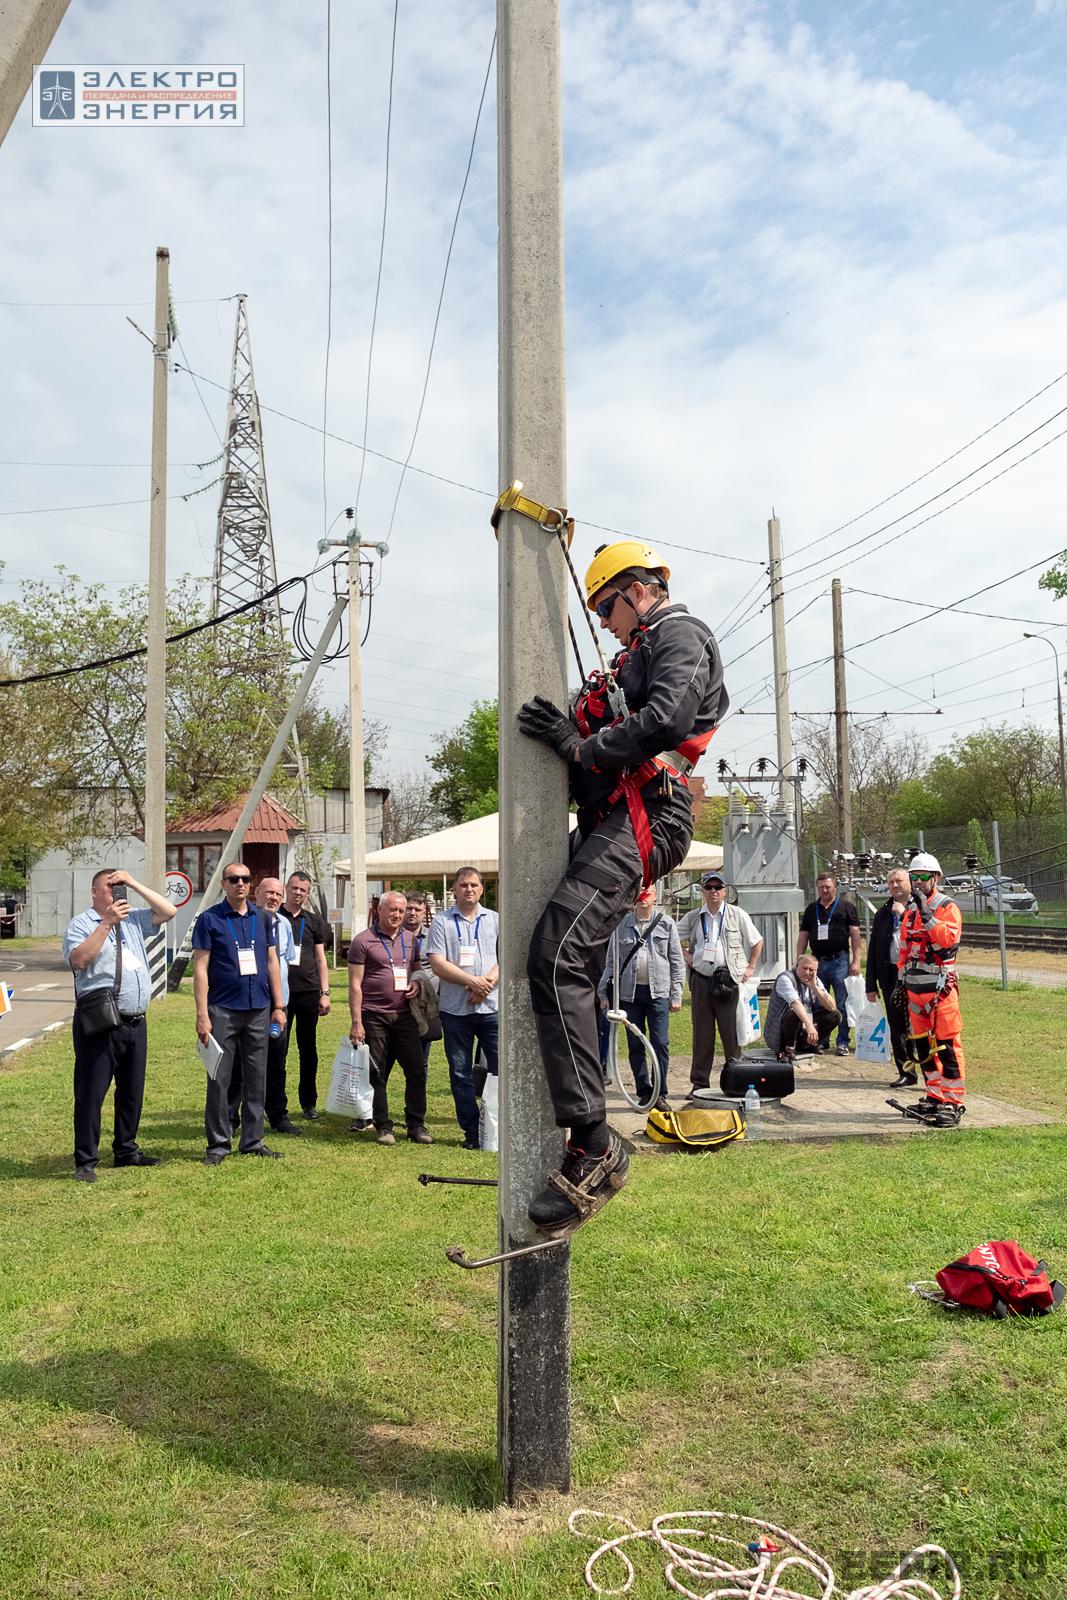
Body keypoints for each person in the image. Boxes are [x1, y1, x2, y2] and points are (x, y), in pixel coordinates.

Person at [518, 538, 728, 1234]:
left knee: (557, 955)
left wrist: (579, 746)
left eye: (607, 608)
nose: (604, 623)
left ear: (639, 591)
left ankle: (593, 1145)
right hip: (615, 814)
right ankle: (586, 1130)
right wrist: (569, 740)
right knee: (552, 955)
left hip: (649, 814)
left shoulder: (680, 634)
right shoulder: (636, 651)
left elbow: (666, 720)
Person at [63, 867, 176, 1182]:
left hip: (135, 1021)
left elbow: (168, 911)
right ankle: (86, 1161)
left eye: (119, 887)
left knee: (131, 1091)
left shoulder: (134, 920)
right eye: (110, 887)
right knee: (91, 1092)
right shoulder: (81, 923)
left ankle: (126, 1151)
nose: (116, 893)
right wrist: (107, 924)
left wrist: (134, 883)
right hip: (101, 1022)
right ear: (94, 892)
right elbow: (79, 960)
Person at [192, 860, 288, 1166]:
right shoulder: (210, 919)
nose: (240, 884)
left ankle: (253, 1141)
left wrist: (278, 1006)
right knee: (219, 1078)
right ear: (224, 884)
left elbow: (272, 962)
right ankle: (219, 1144)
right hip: (222, 1009)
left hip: (258, 1008)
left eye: (245, 878)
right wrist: (202, 1013)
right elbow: (201, 968)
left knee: (257, 1077)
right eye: (233, 879)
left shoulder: (263, 918)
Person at [348, 890, 432, 1146]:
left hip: (405, 1015)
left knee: (416, 1071)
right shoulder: (363, 941)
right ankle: (383, 1125)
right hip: (374, 1015)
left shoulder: (411, 939)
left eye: (401, 910)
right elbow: (354, 984)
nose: (397, 915)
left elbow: (416, 970)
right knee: (377, 1073)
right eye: (392, 909)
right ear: (379, 910)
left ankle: (416, 1125)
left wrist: (416, 983)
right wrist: (356, 1022)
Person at [427, 867, 499, 1148]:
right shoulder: (442, 922)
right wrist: (472, 982)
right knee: (460, 1072)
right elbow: (437, 963)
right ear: (454, 889)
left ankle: (498, 1127)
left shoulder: (495, 919)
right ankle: (471, 1131)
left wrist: (486, 985)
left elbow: (505, 956)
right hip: (456, 1010)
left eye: (474, 885)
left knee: (500, 1071)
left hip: (491, 1008)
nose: (469, 889)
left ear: (482, 889)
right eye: (463, 885)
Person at [598, 883, 684, 1110]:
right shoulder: (621, 926)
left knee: (660, 1042)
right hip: (630, 994)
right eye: (641, 893)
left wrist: (676, 995)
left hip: (658, 993)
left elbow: (677, 962)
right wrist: (603, 994)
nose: (645, 898)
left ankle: (660, 1093)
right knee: (635, 1044)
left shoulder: (666, 924)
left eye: (649, 893)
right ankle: (644, 1091)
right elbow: (611, 963)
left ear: (656, 897)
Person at [897, 852, 966, 1128]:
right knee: (923, 1046)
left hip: (941, 990)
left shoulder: (946, 907)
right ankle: (935, 1095)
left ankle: (953, 1101)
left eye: (924, 877)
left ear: (936, 878)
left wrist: (929, 917)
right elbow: (904, 948)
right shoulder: (910, 911)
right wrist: (900, 980)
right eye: (914, 877)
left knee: (947, 1046)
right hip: (915, 990)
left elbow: (948, 941)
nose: (918, 882)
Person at [678, 871, 764, 1091]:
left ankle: (735, 1081)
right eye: (709, 887)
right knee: (702, 1036)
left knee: (731, 1034)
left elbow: (757, 941)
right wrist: (687, 956)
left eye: (718, 887)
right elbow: (672, 937)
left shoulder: (737, 914)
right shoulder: (694, 917)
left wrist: (750, 967)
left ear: (725, 891)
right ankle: (699, 1085)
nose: (713, 891)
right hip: (701, 981)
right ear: (703, 891)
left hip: (728, 981)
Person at [277, 871, 331, 1120]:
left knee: (308, 1049)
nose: (298, 893)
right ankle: (276, 1104)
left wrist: (325, 993)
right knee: (278, 1049)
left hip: (308, 993)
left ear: (308, 894)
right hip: (281, 995)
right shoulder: (275, 917)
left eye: (303, 890)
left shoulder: (314, 921)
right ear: (286, 888)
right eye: (295, 888)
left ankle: (309, 1103)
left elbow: (321, 958)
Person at [797, 871, 861, 1056]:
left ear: (835, 887)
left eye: (828, 887)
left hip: (839, 961)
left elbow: (855, 934)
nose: (824, 890)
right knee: (818, 1003)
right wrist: (799, 959)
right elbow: (803, 935)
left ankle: (842, 1042)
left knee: (841, 1003)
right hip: (817, 962)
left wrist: (856, 961)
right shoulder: (812, 909)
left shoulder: (846, 907)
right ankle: (821, 1040)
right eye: (821, 887)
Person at [864, 866, 916, 1088]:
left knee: (920, 1024)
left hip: (916, 973)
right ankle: (907, 1072)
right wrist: (870, 983)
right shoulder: (883, 912)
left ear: (910, 882)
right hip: (891, 974)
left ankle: (932, 1072)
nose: (895, 885)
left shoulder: (919, 907)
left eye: (899, 881)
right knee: (897, 1026)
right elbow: (874, 949)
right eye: (891, 882)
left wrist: (903, 915)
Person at [764, 953, 840, 1061]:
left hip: (802, 1027)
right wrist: (810, 1026)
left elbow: (832, 1007)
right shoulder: (785, 979)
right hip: (778, 1031)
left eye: (811, 970)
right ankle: (788, 1048)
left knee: (835, 1015)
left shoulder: (815, 980)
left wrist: (815, 988)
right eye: (804, 968)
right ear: (796, 966)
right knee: (795, 1013)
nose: (807, 972)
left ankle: (809, 1045)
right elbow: (796, 1004)